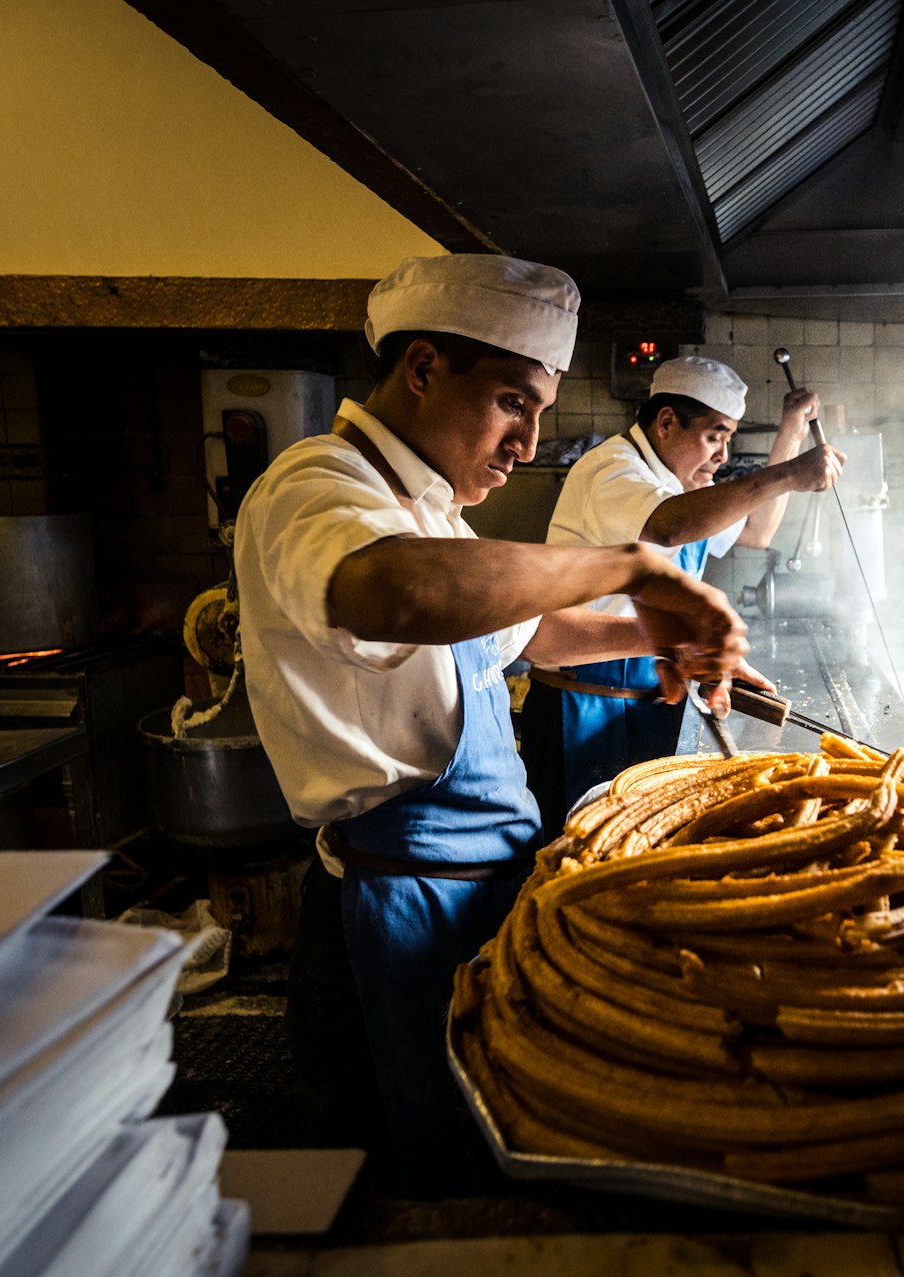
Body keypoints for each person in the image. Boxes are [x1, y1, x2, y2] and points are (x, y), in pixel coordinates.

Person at [235, 254, 747, 1197]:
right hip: (391, 917)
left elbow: (531, 633)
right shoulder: (314, 483)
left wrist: (664, 632)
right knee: (417, 1197)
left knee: (491, 1167)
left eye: (540, 412)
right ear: (423, 369)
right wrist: (634, 565)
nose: (526, 440)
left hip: (476, 906)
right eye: (514, 402)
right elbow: (397, 589)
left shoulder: (429, 507)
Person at [520, 355, 843, 825]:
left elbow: (756, 532)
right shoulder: (613, 469)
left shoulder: (685, 486)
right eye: (715, 436)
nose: (723, 457)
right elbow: (669, 526)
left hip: (647, 704)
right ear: (667, 422)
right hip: (580, 707)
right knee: (574, 851)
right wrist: (791, 473)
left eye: (729, 440)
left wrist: (791, 430)